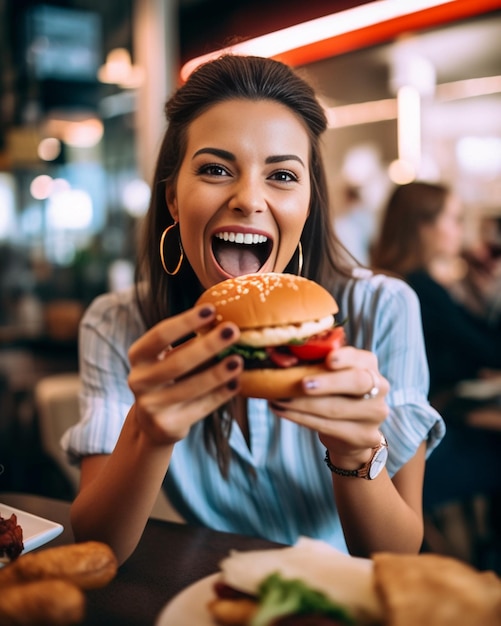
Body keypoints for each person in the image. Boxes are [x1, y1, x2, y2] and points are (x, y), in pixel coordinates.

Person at [63, 55, 444, 566]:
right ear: (173, 198)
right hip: (206, 594)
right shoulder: (117, 325)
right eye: (216, 169)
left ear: (309, 203)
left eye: (282, 175)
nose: (248, 199)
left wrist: (356, 456)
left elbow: (394, 553)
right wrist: (147, 434)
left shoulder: (382, 307)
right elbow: (93, 550)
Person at [371, 181, 501, 565]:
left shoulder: (400, 278)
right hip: (418, 441)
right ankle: (486, 568)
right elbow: (490, 351)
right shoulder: (419, 288)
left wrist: (482, 289)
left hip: (415, 430)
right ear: (423, 226)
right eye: (455, 220)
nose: (461, 231)